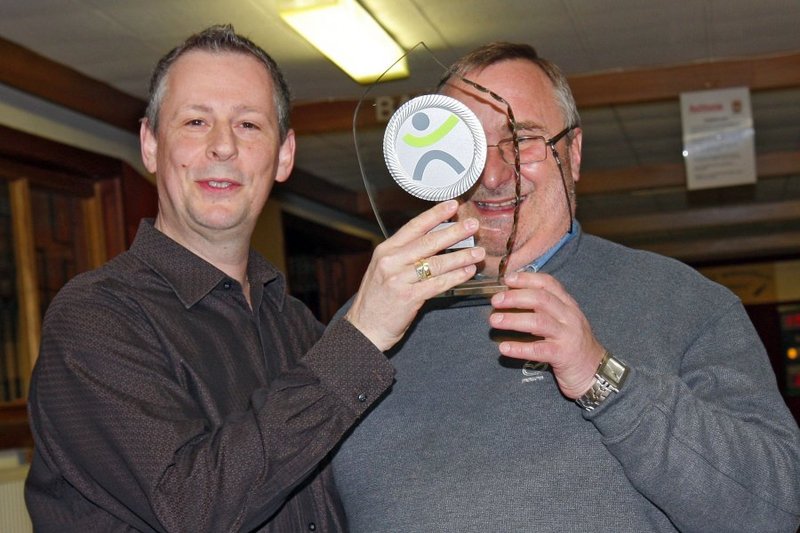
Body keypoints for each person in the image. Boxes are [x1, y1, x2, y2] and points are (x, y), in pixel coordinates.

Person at [24, 25, 485, 532]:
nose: (223, 146)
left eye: (248, 124)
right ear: (150, 145)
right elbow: (192, 510)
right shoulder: (94, 319)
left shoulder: (296, 324)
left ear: (284, 155)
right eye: (196, 121)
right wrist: (361, 337)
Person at [332, 42, 800, 532]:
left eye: (522, 139)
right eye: (465, 147)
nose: (492, 174)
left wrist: (603, 379)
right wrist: (355, 339)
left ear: (572, 153)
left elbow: (772, 510)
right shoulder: (368, 321)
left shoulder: (685, 303)